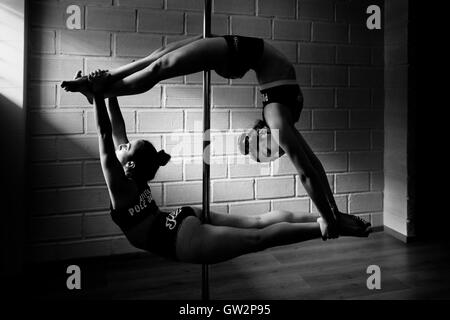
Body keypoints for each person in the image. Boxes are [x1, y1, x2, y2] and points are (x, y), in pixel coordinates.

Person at [62, 35, 372, 263]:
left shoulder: (124, 177)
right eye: (126, 147)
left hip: (176, 230)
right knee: (160, 60)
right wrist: (101, 96)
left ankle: (325, 224)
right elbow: (113, 132)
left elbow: (111, 131)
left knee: (258, 234)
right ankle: (327, 222)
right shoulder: (125, 175)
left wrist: (101, 96)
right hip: (179, 225)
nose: (124, 144)